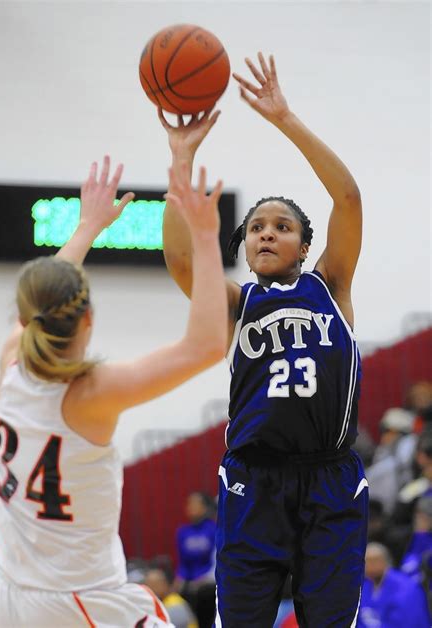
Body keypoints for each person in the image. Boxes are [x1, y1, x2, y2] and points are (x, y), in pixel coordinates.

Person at [159, 52, 367, 626]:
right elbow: (178, 258)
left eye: (282, 227)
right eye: (256, 228)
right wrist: (182, 157)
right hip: (254, 480)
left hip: (330, 478)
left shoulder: (332, 285)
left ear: (304, 245)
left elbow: (347, 197)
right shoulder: (236, 302)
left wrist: (284, 118)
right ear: (245, 246)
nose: (267, 233)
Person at [0, 156, 228, 627]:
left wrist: (86, 227)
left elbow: (43, 297)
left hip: (5, 596)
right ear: (88, 319)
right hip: (76, 604)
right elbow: (209, 344)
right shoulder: (92, 392)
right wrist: (206, 235)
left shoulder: (11, 360)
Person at [357, 542, 430, 627]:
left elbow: (407, 622)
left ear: (382, 561)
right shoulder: (366, 585)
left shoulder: (407, 587)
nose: (365, 567)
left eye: (370, 561)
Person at [174, 492, 217, 627]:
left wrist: (203, 580)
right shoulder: (183, 532)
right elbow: (182, 563)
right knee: (179, 596)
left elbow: (216, 560)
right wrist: (178, 580)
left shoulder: (214, 529)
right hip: (189, 582)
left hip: (208, 583)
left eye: (195, 504)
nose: (190, 507)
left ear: (205, 508)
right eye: (189, 504)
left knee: (204, 595)